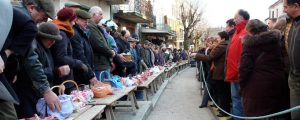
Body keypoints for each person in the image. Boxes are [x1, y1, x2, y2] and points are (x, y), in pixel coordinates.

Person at [1, 0, 55, 119]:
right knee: (9, 116)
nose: (45, 21)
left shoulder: (10, 13)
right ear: (31, 8)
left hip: (6, 77)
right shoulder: (28, 25)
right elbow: (31, 59)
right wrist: (46, 90)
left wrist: (13, 69)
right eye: (45, 16)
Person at [13, 22, 69, 119]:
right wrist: (57, 71)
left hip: (39, 93)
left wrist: (59, 81)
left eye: (54, 40)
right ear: (41, 36)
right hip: (28, 94)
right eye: (50, 39)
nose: (53, 42)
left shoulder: (46, 48)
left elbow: (48, 68)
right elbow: (32, 70)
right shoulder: (34, 47)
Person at [239, 19, 290, 119]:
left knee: (257, 115)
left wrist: (242, 86)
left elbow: (244, 69)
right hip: (277, 84)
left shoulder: (249, 45)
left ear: (251, 31)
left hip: (256, 88)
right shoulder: (277, 41)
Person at [192, 31, 231, 117]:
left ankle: (223, 111)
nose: (216, 39)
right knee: (221, 92)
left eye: (218, 38)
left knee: (222, 93)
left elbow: (210, 57)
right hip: (219, 72)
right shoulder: (226, 45)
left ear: (223, 38)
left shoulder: (221, 47)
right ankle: (220, 107)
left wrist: (196, 55)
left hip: (219, 72)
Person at [51, 8, 89, 91]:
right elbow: (61, 57)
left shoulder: (61, 31)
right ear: (68, 20)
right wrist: (78, 63)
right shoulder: (62, 33)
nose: (73, 23)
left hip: (64, 79)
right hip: (63, 80)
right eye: (73, 21)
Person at [225, 9, 249, 119]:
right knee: (235, 100)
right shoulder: (236, 33)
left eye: (235, 18)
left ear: (242, 18)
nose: (234, 20)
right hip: (233, 73)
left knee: (243, 101)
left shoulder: (247, 31)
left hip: (241, 73)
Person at [87, 6, 115, 80]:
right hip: (99, 65)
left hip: (103, 64)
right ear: (93, 15)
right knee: (102, 89)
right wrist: (111, 53)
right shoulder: (90, 27)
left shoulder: (96, 27)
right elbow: (99, 45)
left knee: (106, 88)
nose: (102, 17)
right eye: (100, 14)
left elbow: (103, 43)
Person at [283, 0, 300, 119]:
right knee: (295, 116)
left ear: (296, 6)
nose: (284, 10)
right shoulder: (292, 23)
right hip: (293, 76)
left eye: (285, 7)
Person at [71, 9, 97, 85]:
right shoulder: (75, 34)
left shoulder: (81, 32)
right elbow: (80, 56)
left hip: (84, 72)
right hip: (80, 74)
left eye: (87, 21)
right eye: (85, 21)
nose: (87, 23)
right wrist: (91, 75)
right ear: (76, 20)